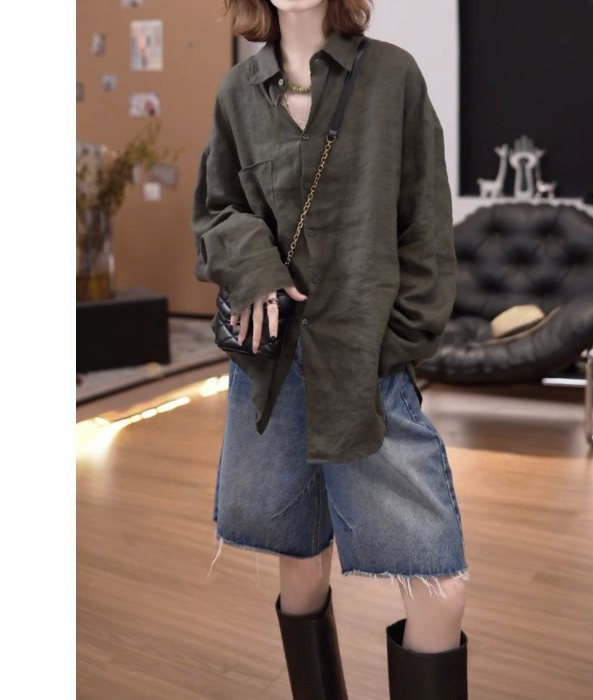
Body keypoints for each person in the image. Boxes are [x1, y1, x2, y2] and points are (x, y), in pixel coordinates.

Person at [191, 1, 469, 697]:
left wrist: (392, 346)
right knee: (298, 561)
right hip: (273, 370)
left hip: (366, 368)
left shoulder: (393, 77)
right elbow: (217, 210)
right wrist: (255, 267)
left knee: (436, 577)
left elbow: (427, 226)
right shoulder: (236, 93)